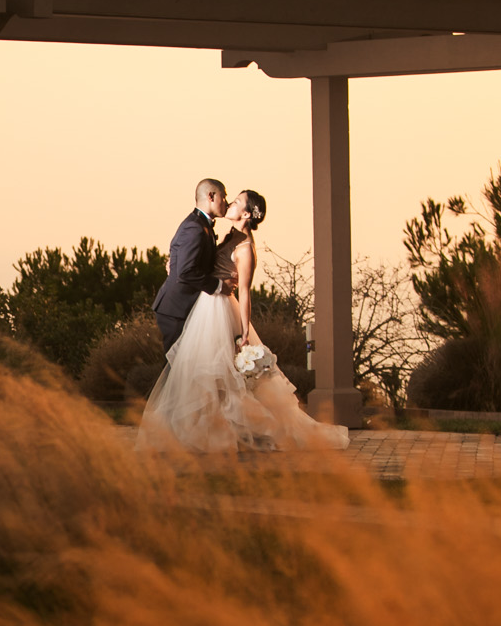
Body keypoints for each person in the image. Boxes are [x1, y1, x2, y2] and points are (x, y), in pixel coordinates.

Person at [139, 188, 350, 453]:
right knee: (201, 373)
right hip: (205, 308)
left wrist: (244, 332)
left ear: (247, 214)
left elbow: (245, 292)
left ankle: (233, 432)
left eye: (237, 201)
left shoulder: (245, 247)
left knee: (218, 375)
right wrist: (176, 265)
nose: (231, 203)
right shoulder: (229, 236)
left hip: (220, 310)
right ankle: (197, 431)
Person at [150, 179, 229, 353]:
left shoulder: (199, 224)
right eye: (224, 197)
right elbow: (186, 271)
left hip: (184, 308)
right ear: (211, 196)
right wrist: (220, 286)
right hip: (176, 310)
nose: (227, 203)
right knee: (175, 370)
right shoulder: (194, 227)